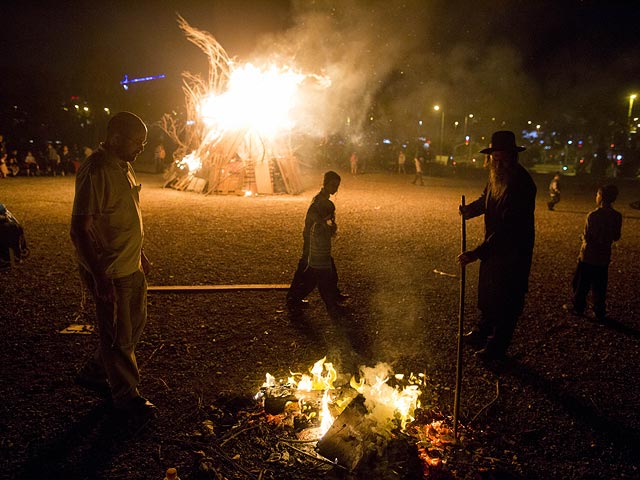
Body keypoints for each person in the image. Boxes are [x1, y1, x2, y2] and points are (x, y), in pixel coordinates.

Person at [70, 111, 156, 418]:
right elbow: (80, 228)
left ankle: (95, 371)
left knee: (134, 326)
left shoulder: (125, 166)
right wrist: (99, 276)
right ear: (116, 138)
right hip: (110, 268)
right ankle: (126, 396)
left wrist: (140, 252)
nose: (142, 149)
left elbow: (126, 214)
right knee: (118, 336)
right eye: (138, 142)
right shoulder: (96, 170)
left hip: (130, 262)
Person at [457, 131, 536, 362]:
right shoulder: (496, 176)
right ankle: (482, 332)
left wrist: (476, 253)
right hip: (494, 248)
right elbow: (486, 199)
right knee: (489, 292)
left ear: (513, 156)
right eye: (494, 158)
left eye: (502, 158)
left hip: (513, 252)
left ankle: (496, 346)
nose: (498, 162)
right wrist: (470, 210)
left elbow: (509, 229)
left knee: (507, 299)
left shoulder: (521, 184)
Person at [286, 171, 346, 318]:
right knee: (313, 272)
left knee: (320, 270)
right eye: (333, 185)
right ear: (325, 184)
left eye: (337, 186)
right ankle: (295, 298)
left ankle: (296, 298)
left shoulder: (322, 199)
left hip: (315, 240)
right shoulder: (321, 202)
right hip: (313, 241)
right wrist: (328, 228)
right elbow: (316, 222)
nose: (335, 189)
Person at [563, 185, 622, 322]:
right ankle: (599, 310)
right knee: (600, 285)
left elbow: (588, 237)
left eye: (597, 194)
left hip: (588, 256)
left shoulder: (593, 215)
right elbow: (616, 236)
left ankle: (578, 306)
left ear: (600, 196)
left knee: (581, 283)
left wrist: (583, 238)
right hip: (604, 257)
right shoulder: (617, 216)